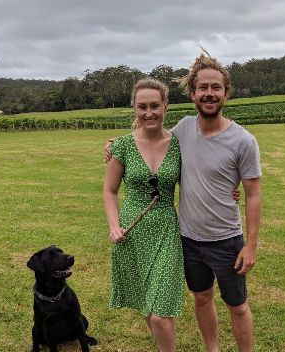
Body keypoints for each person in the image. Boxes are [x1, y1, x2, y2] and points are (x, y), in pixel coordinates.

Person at [172, 52, 262, 352]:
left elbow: (253, 194)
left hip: (226, 241)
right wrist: (117, 144)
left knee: (237, 306)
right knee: (201, 297)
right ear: (192, 93)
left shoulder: (243, 141)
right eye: (203, 88)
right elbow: (151, 141)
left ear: (225, 93)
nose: (209, 94)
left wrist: (250, 245)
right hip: (189, 240)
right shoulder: (183, 129)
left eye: (216, 88)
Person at [102, 78, 184, 352]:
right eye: (142, 107)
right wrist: (114, 226)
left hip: (166, 232)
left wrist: (229, 191)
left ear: (165, 106)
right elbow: (110, 191)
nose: (148, 113)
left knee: (160, 311)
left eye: (154, 106)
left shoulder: (179, 144)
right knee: (147, 306)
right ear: (134, 109)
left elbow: (200, 179)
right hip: (131, 234)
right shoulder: (122, 146)